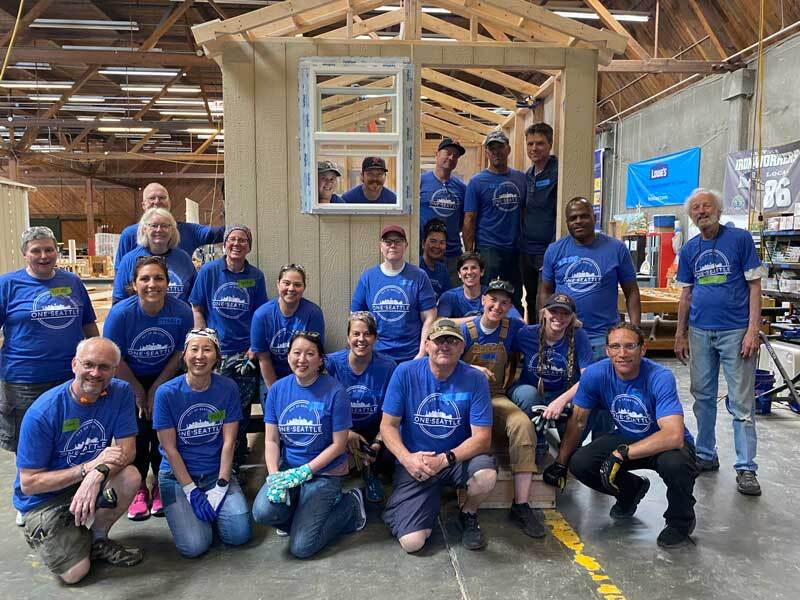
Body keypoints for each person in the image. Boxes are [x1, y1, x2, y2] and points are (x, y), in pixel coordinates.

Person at [543, 324, 699, 549]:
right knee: (581, 463)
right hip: (627, 436)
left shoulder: (660, 376)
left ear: (642, 349)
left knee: (676, 464)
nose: (622, 353)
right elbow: (578, 421)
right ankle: (630, 491)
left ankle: (680, 522)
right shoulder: (597, 374)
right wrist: (560, 463)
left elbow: (673, 435)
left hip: (663, 443)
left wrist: (622, 454)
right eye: (615, 347)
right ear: (607, 350)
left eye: (629, 346)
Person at [14, 337, 142, 583]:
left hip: (89, 482)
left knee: (130, 476)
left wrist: (97, 474)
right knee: (75, 574)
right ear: (74, 365)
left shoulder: (121, 392)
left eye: (104, 367)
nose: (95, 373)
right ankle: (52, 534)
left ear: (115, 370)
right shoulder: (44, 412)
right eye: (88, 365)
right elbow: (29, 483)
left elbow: (128, 450)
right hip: (44, 500)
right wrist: (86, 470)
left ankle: (97, 539)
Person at [674, 188, 763, 496]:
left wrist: (753, 330)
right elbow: (685, 294)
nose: (701, 211)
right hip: (699, 331)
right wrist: (680, 333)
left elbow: (754, 287)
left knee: (741, 402)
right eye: (695, 208)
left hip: (736, 331)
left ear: (718, 209)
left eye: (706, 206)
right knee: (702, 397)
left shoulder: (739, 240)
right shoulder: (690, 249)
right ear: (690, 215)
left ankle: (746, 468)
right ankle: (705, 454)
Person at [381, 319, 497, 553]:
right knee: (412, 544)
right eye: (439, 340)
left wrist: (445, 459)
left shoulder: (475, 379)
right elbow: (388, 426)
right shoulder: (405, 372)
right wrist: (407, 459)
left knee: (485, 476)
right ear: (426, 344)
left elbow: (482, 438)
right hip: (417, 460)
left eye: (453, 341)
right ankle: (417, 506)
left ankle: (468, 513)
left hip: (456, 458)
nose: (445, 346)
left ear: (462, 347)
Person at [252, 331, 367, 558]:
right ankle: (300, 518)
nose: (302, 359)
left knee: (302, 547)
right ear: (288, 356)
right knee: (263, 512)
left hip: (325, 473)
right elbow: (271, 439)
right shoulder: (277, 390)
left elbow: (338, 444)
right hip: (289, 469)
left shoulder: (335, 392)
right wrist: (275, 476)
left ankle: (351, 506)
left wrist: (307, 471)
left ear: (320, 359)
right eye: (296, 353)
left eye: (309, 354)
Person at [103, 256, 193, 521]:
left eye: (158, 278)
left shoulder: (181, 311)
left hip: (166, 377)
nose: (152, 284)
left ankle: (159, 487)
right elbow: (114, 357)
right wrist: (137, 391)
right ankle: (139, 486)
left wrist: (157, 388)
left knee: (164, 434)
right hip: (127, 376)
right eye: (145, 278)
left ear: (167, 283)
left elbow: (180, 351)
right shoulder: (121, 315)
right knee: (138, 434)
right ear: (134, 284)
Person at [1, 227, 99, 460]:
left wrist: (99, 360)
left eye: (49, 250)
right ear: (25, 253)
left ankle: (69, 489)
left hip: (70, 376)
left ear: (57, 251)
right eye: (36, 251)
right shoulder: (8, 284)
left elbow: (88, 325)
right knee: (29, 445)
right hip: (25, 381)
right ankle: (32, 493)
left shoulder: (73, 282)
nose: (44, 256)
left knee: (71, 436)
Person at [153, 329, 252, 558]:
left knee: (239, 534)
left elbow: (229, 442)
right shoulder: (166, 393)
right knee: (195, 546)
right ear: (184, 355)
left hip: (214, 472)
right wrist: (191, 491)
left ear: (217, 357)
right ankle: (196, 514)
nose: (200, 356)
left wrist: (221, 485)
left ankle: (214, 511)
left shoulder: (227, 388)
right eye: (194, 349)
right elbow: (170, 449)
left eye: (207, 349)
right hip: (177, 478)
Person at [459, 280, 546, 538]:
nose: (498, 306)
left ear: (510, 307)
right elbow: (439, 355)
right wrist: (472, 368)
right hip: (462, 398)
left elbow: (544, 330)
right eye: (493, 300)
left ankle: (520, 504)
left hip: (494, 396)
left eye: (505, 302)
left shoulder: (513, 328)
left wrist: (572, 324)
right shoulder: (465, 329)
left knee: (522, 424)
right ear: (483, 300)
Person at [189, 225, 268, 472]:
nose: (236, 244)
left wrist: (254, 348)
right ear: (224, 244)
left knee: (240, 408)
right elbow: (197, 306)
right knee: (215, 404)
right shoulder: (209, 272)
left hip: (245, 354)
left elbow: (260, 315)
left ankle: (237, 456)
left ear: (249, 247)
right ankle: (214, 456)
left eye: (242, 240)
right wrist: (203, 341)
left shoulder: (255, 276)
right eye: (232, 239)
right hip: (216, 353)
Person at [540, 196, 641, 362]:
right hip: (565, 335)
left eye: (584, 216)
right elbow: (546, 291)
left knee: (605, 386)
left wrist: (635, 331)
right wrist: (546, 328)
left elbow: (632, 291)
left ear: (594, 218)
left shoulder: (616, 249)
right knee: (567, 386)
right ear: (567, 222)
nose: (578, 221)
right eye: (573, 218)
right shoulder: (554, 250)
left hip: (604, 337)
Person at [326, 312, 397, 503]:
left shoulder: (388, 367)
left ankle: (370, 470)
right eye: (356, 334)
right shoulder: (331, 363)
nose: (361, 339)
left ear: (375, 337)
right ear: (348, 337)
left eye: (367, 334)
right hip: (340, 428)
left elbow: (392, 413)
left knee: (391, 456)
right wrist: (346, 433)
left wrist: (377, 443)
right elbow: (322, 404)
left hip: (375, 428)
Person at [351, 225, 437, 363]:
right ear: (381, 246)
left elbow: (429, 317)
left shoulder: (419, 276)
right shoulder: (368, 278)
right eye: (388, 242)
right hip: (375, 356)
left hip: (410, 356)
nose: (393, 245)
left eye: (398, 241)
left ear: (405, 245)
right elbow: (356, 317)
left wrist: (422, 353)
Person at [462, 130, 527, 312]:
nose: (497, 152)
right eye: (492, 148)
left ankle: (516, 335)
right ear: (487, 152)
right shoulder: (477, 182)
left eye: (500, 147)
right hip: (488, 249)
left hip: (515, 249)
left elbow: (525, 212)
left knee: (514, 297)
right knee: (488, 296)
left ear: (509, 149)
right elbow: (469, 219)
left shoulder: (521, 179)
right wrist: (469, 254)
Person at [508, 293, 593, 422]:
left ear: (572, 317)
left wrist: (562, 400)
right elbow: (504, 352)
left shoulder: (579, 336)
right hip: (529, 388)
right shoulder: (526, 334)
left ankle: (574, 441)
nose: (559, 317)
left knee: (592, 399)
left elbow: (588, 378)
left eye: (565, 313)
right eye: (553, 311)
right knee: (529, 395)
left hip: (563, 392)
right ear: (544, 313)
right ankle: (537, 440)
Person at [114, 182, 224, 268]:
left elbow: (220, 233)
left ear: (169, 202)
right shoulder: (129, 235)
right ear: (143, 205)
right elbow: (121, 273)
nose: (157, 202)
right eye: (152, 198)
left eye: (162, 198)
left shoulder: (189, 231)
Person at [251, 264, 325, 389]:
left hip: (304, 372)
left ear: (304, 287)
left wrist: (299, 389)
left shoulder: (313, 314)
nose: (291, 288)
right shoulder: (261, 315)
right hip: (271, 374)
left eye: (297, 284)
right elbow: (263, 359)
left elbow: (313, 355)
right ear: (278, 284)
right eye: (286, 283)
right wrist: (275, 392)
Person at [113, 208, 197, 304]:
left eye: (165, 226)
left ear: (172, 230)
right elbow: (118, 300)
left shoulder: (183, 258)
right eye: (153, 226)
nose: (159, 230)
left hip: (177, 317)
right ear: (144, 229)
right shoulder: (129, 260)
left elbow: (194, 297)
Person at [520, 123, 558, 323]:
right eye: (530, 144)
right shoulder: (527, 176)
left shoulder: (557, 172)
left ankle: (546, 344)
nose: (534, 148)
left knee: (545, 301)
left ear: (550, 144)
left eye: (540, 144)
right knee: (530, 298)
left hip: (547, 250)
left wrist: (552, 249)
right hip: (527, 250)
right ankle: (533, 343)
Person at [419, 138, 467, 283]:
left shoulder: (461, 187)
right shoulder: (420, 182)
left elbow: (465, 220)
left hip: (451, 254)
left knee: (452, 295)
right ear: (437, 154)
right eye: (448, 153)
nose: (451, 157)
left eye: (456, 155)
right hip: (424, 252)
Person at [437, 252, 524, 324]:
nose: (469, 272)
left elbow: (519, 321)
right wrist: (478, 320)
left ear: (482, 272)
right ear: (459, 274)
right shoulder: (449, 296)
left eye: (474, 268)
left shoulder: (492, 293)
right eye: (465, 268)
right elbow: (439, 322)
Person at [419, 219, 452, 300]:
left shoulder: (443, 270)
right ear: (423, 243)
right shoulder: (416, 265)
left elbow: (447, 299)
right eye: (433, 241)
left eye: (442, 242)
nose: (437, 246)